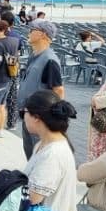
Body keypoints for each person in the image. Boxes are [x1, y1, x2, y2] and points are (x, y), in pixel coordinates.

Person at [18, 20, 64, 158]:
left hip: (40, 118)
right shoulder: (34, 56)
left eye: (32, 30)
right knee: (30, 154)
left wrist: (52, 118)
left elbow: (58, 90)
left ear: (43, 34)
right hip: (29, 115)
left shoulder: (49, 59)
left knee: (40, 156)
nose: (29, 33)